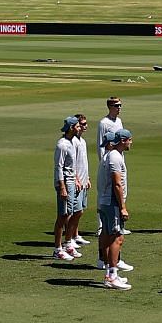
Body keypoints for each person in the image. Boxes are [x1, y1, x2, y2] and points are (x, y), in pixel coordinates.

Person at [97, 128, 134, 289]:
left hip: (104, 201)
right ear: (123, 141)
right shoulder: (115, 157)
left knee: (106, 235)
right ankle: (112, 276)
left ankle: (109, 272)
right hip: (112, 203)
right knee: (117, 237)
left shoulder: (109, 156)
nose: (131, 142)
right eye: (130, 140)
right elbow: (117, 183)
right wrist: (123, 207)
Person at [97, 96, 128, 239]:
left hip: (119, 159)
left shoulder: (119, 121)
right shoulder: (104, 123)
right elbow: (101, 145)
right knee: (107, 192)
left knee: (122, 189)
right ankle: (102, 225)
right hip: (109, 162)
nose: (119, 108)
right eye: (117, 105)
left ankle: (120, 223)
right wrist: (104, 162)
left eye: (120, 105)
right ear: (110, 106)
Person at [54, 117, 84, 261]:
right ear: (72, 127)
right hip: (65, 181)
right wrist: (62, 187)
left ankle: (67, 244)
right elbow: (59, 167)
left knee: (70, 213)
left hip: (71, 180)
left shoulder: (73, 142)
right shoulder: (62, 145)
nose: (80, 128)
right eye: (78, 126)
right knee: (63, 215)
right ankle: (58, 249)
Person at [67, 109, 92, 261]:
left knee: (80, 210)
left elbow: (84, 162)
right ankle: (69, 238)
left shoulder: (82, 141)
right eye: (81, 124)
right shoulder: (73, 142)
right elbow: (73, 163)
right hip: (77, 180)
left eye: (85, 124)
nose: (84, 126)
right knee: (75, 211)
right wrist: (76, 179)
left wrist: (86, 177)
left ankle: (75, 235)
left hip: (83, 179)